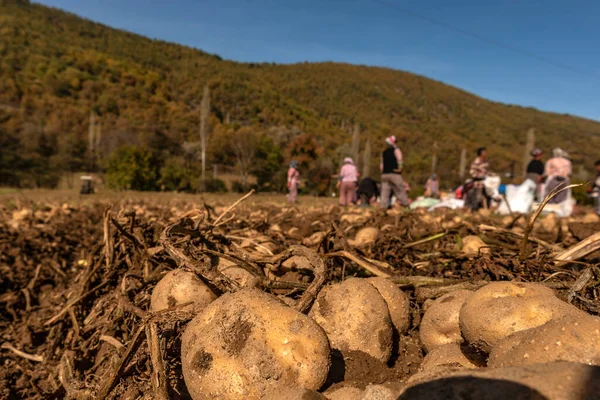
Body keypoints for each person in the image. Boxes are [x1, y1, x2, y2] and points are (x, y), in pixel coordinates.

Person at [379, 135, 410, 208]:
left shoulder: (384, 152)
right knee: (400, 189)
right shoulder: (396, 150)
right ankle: (405, 205)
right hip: (394, 173)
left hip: (385, 174)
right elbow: (399, 159)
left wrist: (383, 171)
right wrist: (400, 168)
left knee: (385, 192)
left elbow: (381, 165)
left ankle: (383, 207)